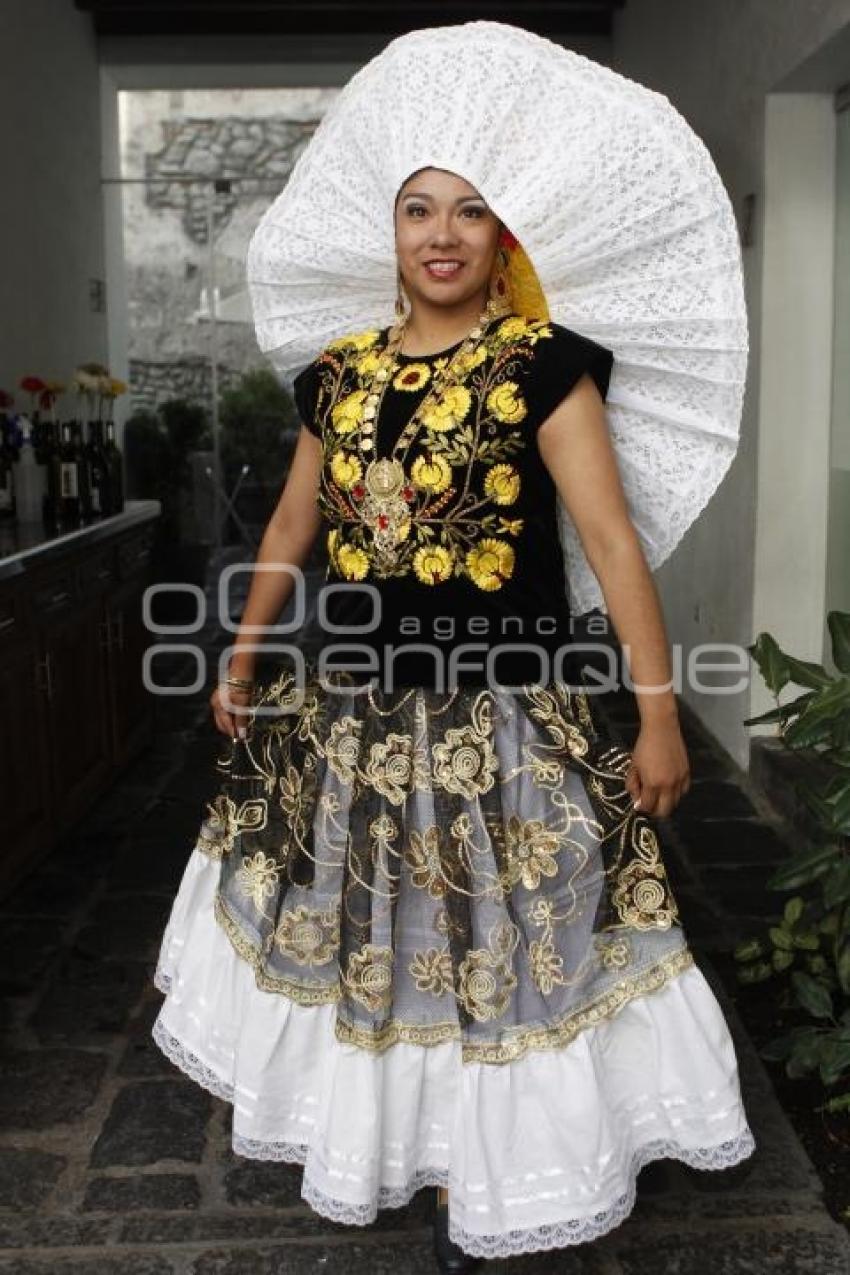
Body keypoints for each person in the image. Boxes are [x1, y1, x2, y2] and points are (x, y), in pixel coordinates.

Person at [152, 165, 755, 1271]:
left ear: (500, 236)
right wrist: (240, 656)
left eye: (470, 211)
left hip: (509, 713)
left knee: (519, 938)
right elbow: (290, 527)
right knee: (374, 941)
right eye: (418, 209)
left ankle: (515, 1169)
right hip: (355, 713)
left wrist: (659, 714)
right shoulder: (336, 376)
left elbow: (610, 543)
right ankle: (413, 1144)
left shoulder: (542, 367)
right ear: (386, 231)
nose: (442, 235)